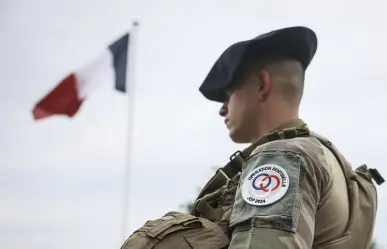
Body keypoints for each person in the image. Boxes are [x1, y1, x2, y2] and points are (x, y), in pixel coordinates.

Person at [120, 26, 384, 249]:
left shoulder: (282, 158)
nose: (222, 108)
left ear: (261, 84)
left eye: (228, 94)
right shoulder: (325, 157)